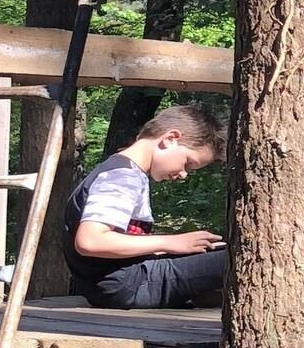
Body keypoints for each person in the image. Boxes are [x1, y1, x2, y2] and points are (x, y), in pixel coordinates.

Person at [66, 103, 227, 309]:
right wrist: (170, 242)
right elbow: (90, 241)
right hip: (126, 285)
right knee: (236, 258)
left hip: (122, 282)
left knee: (213, 251)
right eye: (188, 163)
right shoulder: (122, 176)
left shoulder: (126, 172)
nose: (183, 174)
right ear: (170, 139)